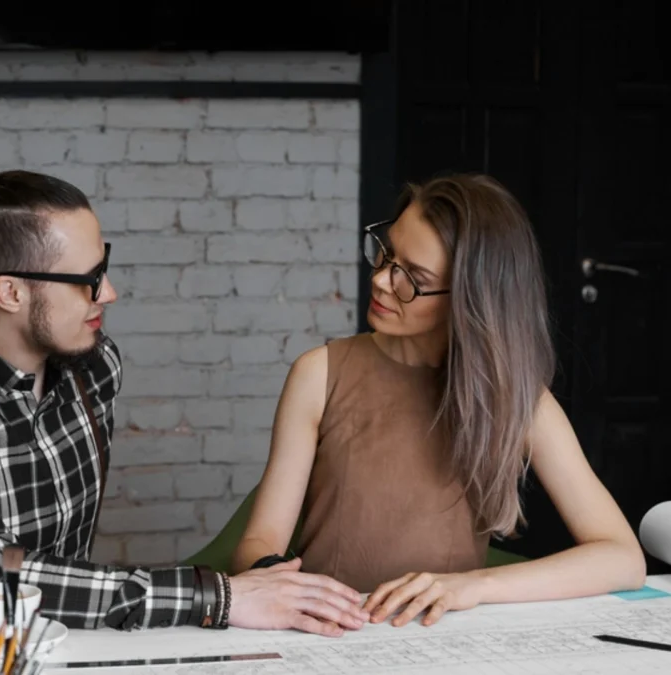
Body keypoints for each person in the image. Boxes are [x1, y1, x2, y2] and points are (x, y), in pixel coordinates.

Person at [0, 151, 370, 636]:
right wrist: (219, 597)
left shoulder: (93, 368)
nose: (109, 293)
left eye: (103, 267)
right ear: (10, 292)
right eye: (88, 280)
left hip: (76, 645)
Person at [233, 173, 646, 629]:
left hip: (439, 640)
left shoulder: (518, 399)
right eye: (386, 253)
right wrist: (275, 580)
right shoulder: (320, 373)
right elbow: (258, 540)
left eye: (413, 277)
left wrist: (473, 585)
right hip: (330, 634)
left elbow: (623, 558)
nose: (383, 280)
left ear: (470, 299)